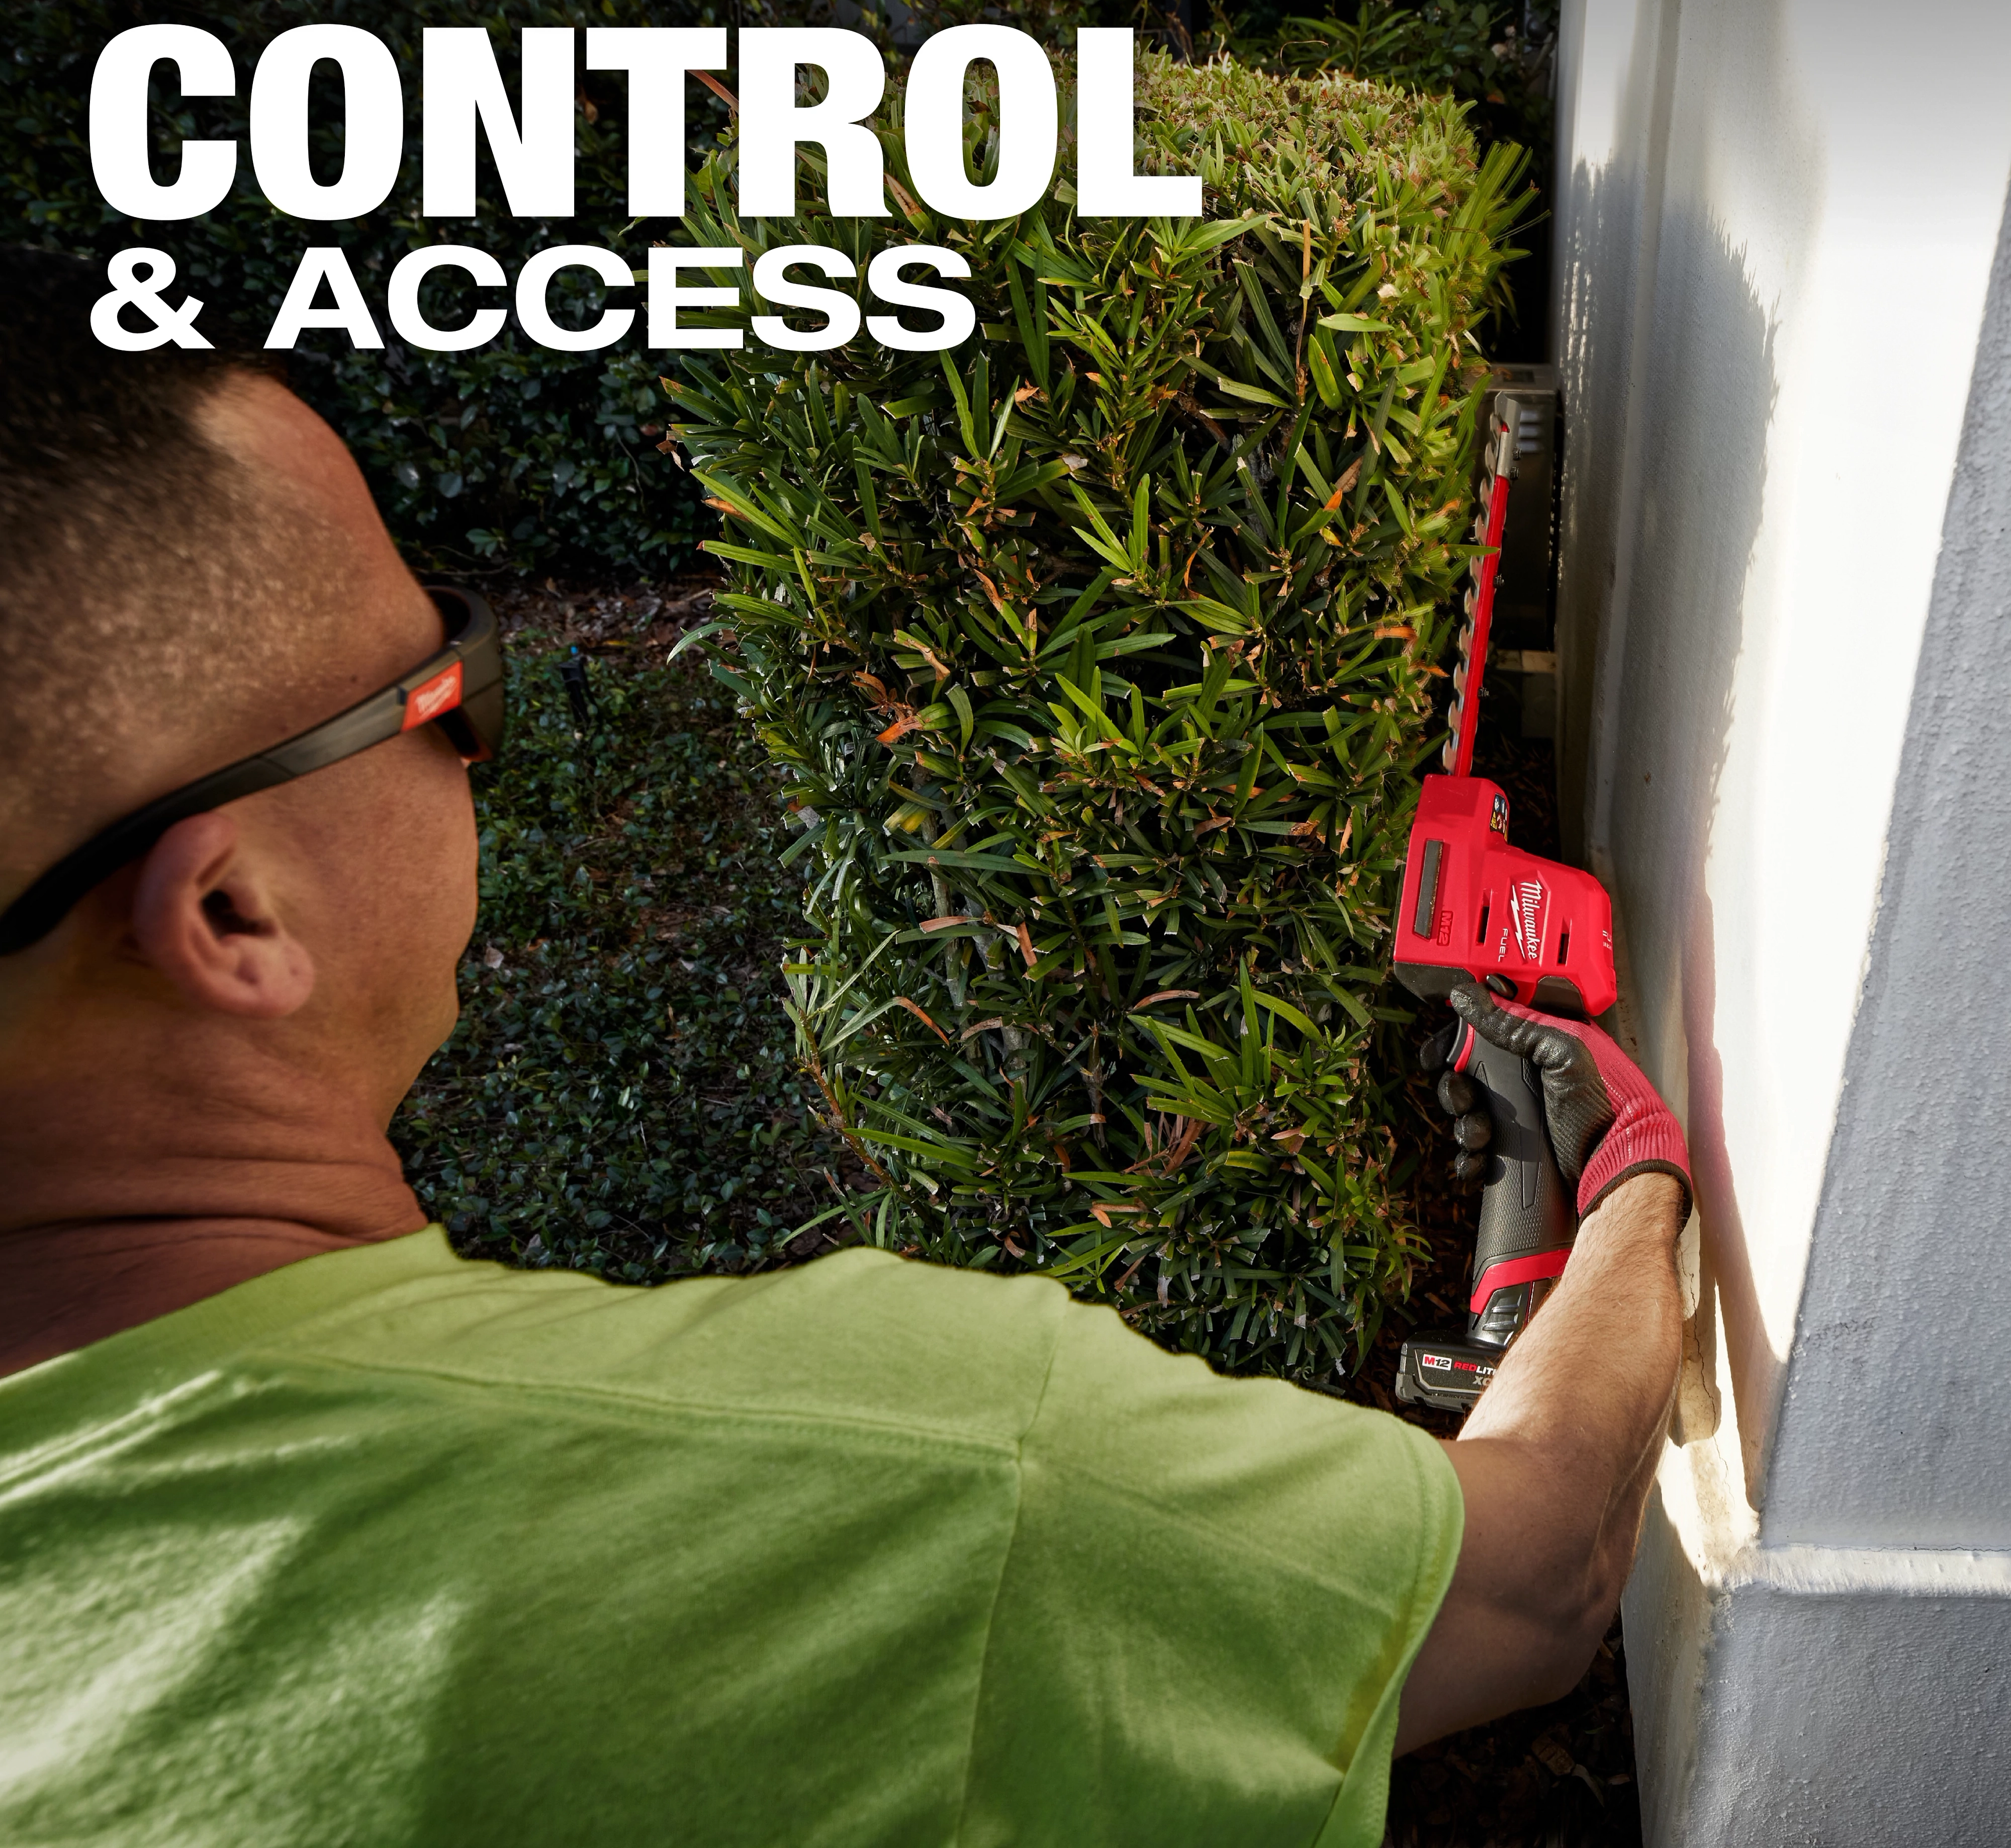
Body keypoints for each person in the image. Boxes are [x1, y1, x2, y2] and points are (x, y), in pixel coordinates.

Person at [0, 247, 1691, 1845]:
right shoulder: (911, 1483)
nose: (476, 747)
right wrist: (1623, 1186)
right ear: (231, 918)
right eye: (450, 691)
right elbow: (1536, 1572)